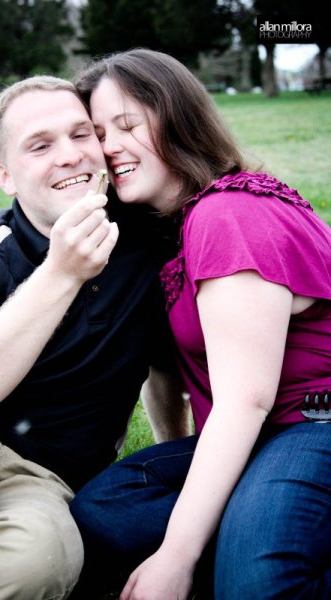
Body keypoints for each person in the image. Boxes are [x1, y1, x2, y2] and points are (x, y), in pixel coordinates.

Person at [70, 49, 331, 600]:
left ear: (179, 119)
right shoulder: (172, 232)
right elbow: (167, 375)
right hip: (266, 436)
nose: (108, 147)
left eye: (127, 125)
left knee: (259, 583)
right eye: (99, 133)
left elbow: (245, 401)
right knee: (105, 513)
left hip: (315, 422)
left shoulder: (228, 214)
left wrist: (176, 556)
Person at [0, 75, 190, 599]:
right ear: (5, 176)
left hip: (41, 481)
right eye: (41, 145)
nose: (70, 156)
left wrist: (170, 464)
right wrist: (61, 272)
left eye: (81, 135)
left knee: (42, 558)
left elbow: (164, 367)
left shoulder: (146, 247)